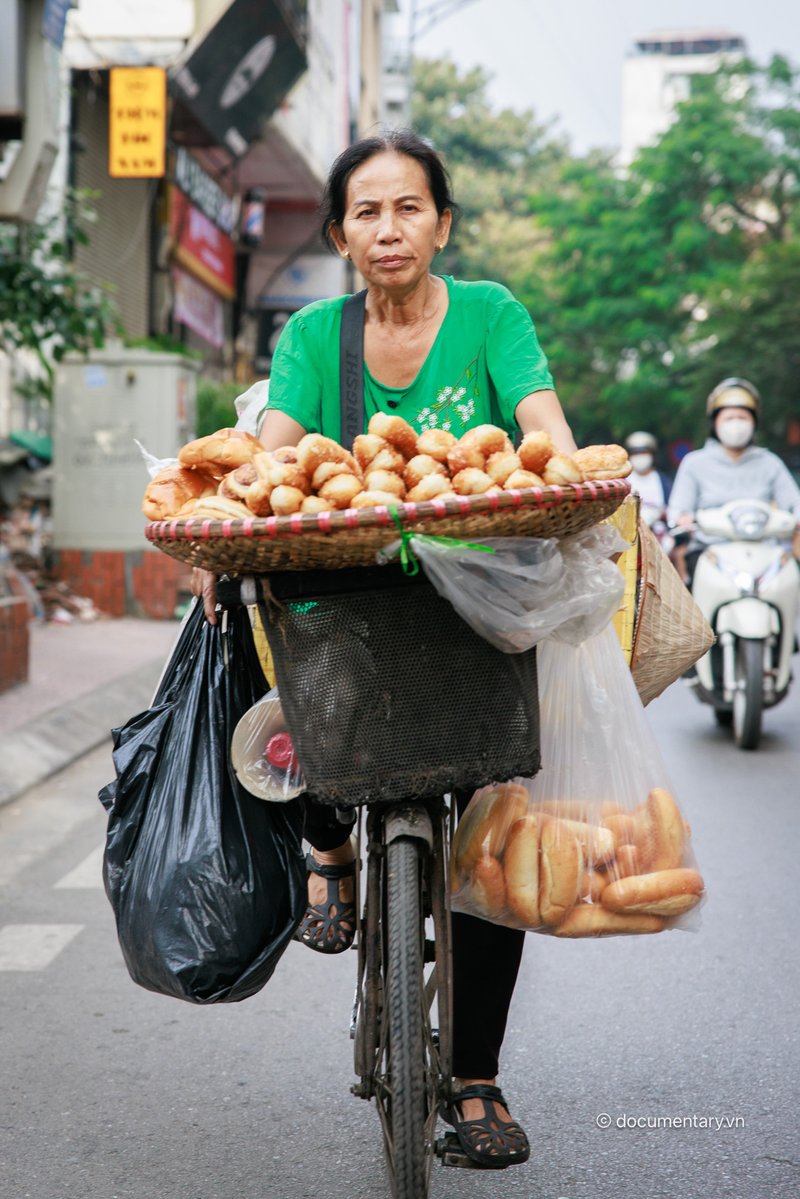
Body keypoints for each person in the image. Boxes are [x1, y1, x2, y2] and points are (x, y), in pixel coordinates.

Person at [193, 129, 579, 1169]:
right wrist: (225, 519)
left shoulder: (490, 314)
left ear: (441, 223)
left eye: (408, 207)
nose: (388, 227)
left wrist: (566, 475)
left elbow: (539, 419)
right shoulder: (317, 336)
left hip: (472, 609)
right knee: (286, 651)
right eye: (366, 211)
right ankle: (326, 843)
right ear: (340, 235)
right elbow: (275, 446)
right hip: (350, 608)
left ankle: (476, 1075)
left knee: (495, 824)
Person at [667, 378, 800, 584]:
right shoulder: (694, 463)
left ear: (754, 422)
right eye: (729, 418)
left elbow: (794, 503)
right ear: (714, 423)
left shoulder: (770, 462)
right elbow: (678, 510)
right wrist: (682, 519)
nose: (736, 424)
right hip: (709, 553)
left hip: (765, 553)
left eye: (742, 417)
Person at [623, 431, 673, 542]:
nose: (640, 456)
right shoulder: (624, 482)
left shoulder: (663, 481)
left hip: (660, 539)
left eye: (644, 452)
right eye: (635, 452)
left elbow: (673, 510)